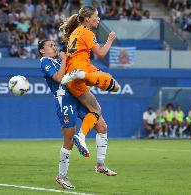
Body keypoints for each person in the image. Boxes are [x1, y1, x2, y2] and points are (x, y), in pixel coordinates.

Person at [38, 39, 117, 189]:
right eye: (50, 46)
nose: (54, 47)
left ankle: (100, 164)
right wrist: (64, 60)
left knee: (102, 126)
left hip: (79, 96)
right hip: (65, 100)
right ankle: (61, 177)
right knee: (69, 140)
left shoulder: (61, 60)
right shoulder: (45, 61)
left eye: (54, 45)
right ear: (42, 50)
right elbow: (59, 78)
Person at [60, 6, 120, 150]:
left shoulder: (75, 32)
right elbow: (100, 54)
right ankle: (81, 136)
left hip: (73, 72)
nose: (98, 19)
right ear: (87, 18)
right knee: (116, 87)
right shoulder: (87, 32)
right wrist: (110, 40)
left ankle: (82, 138)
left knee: (98, 107)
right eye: (96, 16)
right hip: (81, 69)